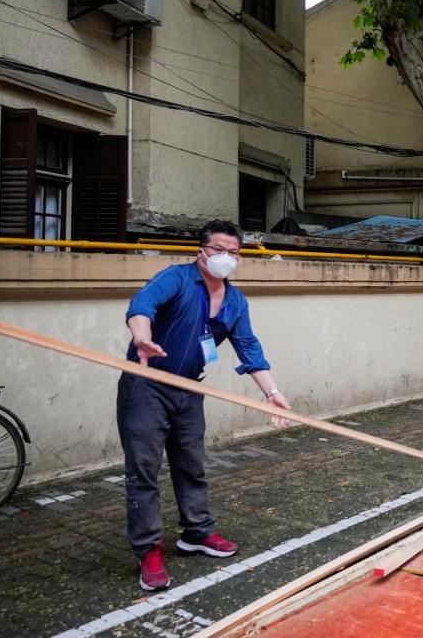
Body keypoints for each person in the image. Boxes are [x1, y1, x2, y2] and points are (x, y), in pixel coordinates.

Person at [118, 220, 292, 592]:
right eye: (218, 249)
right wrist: (142, 337)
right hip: (147, 386)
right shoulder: (176, 279)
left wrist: (271, 391)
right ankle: (148, 550)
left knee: (191, 464)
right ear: (201, 250)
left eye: (233, 252)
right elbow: (142, 305)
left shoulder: (234, 300)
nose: (225, 257)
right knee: (144, 471)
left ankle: (196, 532)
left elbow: (248, 347)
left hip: (188, 391)